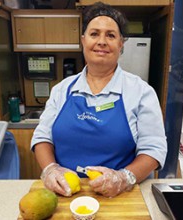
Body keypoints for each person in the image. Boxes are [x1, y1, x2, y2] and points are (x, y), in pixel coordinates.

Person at [31, 2, 167, 198]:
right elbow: (42, 137)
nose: (102, 41)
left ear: (121, 44)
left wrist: (123, 178)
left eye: (111, 35)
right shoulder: (62, 90)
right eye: (94, 34)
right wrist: (51, 169)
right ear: (83, 41)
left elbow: (154, 149)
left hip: (121, 196)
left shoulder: (141, 92)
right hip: (64, 193)